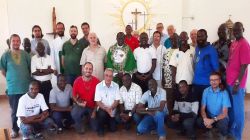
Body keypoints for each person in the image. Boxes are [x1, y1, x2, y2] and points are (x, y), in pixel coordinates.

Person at [0, 34, 31, 138]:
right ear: (10, 42)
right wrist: (11, 79)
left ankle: (28, 128)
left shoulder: (25, 54)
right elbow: (3, 71)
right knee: (15, 110)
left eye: (18, 41)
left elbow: (29, 68)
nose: (16, 43)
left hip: (26, 87)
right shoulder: (5, 55)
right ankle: (15, 129)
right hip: (13, 88)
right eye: (14, 41)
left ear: (20, 42)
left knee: (27, 109)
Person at [226, 22, 250, 140]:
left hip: (237, 84)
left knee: (239, 111)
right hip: (229, 81)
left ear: (243, 29)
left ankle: (238, 136)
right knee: (231, 109)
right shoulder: (234, 43)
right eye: (234, 30)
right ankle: (232, 131)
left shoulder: (245, 44)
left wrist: (237, 83)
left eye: (238, 30)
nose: (235, 32)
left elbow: (244, 66)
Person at [197, 72, 231, 140]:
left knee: (223, 123)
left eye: (216, 79)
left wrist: (212, 120)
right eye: (211, 80)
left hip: (220, 117)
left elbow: (224, 113)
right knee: (199, 121)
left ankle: (223, 135)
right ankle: (209, 131)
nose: (213, 82)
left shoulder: (224, 92)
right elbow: (202, 109)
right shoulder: (206, 91)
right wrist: (205, 119)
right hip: (210, 116)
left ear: (220, 81)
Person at [71, 62, 99, 134]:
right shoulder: (77, 80)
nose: (88, 70)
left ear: (92, 70)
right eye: (86, 68)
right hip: (81, 106)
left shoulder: (97, 81)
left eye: (90, 69)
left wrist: (94, 111)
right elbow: (73, 96)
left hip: (92, 107)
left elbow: (99, 99)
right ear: (83, 69)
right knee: (74, 113)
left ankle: (87, 119)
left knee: (95, 128)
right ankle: (80, 124)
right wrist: (77, 102)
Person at [193, 29, 219, 103]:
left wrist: (217, 84)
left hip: (207, 84)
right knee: (197, 107)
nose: (200, 38)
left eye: (202, 36)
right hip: (196, 83)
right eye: (198, 36)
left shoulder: (212, 50)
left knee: (206, 108)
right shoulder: (197, 48)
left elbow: (216, 69)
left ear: (206, 36)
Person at [94, 68, 121, 137]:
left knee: (113, 129)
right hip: (102, 109)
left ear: (112, 77)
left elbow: (117, 100)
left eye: (110, 76)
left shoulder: (116, 86)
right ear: (104, 76)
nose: (108, 78)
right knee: (102, 114)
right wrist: (106, 109)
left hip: (112, 109)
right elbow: (98, 101)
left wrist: (111, 108)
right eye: (106, 75)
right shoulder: (98, 86)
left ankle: (108, 122)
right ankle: (101, 128)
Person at [31, 42, 55, 106]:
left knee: (47, 101)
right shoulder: (33, 58)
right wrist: (46, 70)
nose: (40, 48)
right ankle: (39, 115)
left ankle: (47, 115)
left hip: (47, 84)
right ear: (36, 49)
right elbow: (34, 72)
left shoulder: (49, 57)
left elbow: (52, 70)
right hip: (37, 84)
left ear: (44, 48)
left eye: (41, 47)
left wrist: (39, 70)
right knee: (37, 102)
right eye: (38, 47)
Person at [163, 33, 179, 114]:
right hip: (167, 80)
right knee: (169, 98)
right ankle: (169, 114)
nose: (173, 41)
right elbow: (164, 66)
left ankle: (176, 115)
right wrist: (163, 79)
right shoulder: (167, 51)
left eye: (175, 39)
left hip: (178, 80)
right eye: (172, 39)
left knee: (177, 98)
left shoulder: (180, 51)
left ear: (178, 39)